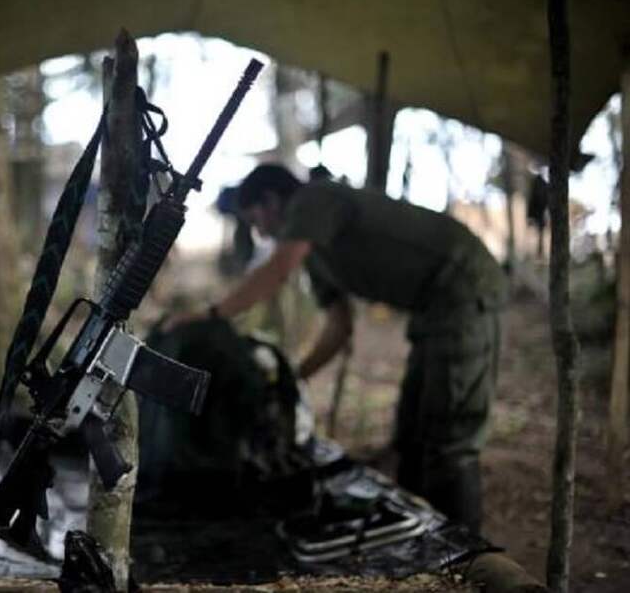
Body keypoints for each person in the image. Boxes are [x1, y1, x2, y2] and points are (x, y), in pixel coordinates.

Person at [168, 163, 507, 533]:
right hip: (431, 308)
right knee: (412, 434)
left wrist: (211, 316)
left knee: (448, 435)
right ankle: (421, 538)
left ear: (272, 199)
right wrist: (293, 380)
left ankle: (465, 555)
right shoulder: (316, 256)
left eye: (256, 219)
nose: (260, 232)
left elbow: (277, 271)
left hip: (463, 285)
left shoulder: (315, 197)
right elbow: (338, 327)